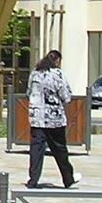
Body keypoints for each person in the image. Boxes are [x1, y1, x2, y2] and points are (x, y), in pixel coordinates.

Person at [26, 49, 82, 189]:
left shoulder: (35, 73)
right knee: (60, 150)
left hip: (36, 118)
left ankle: (33, 180)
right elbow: (66, 96)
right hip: (54, 119)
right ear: (57, 61)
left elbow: (28, 93)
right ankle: (68, 179)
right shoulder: (57, 74)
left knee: (36, 149)